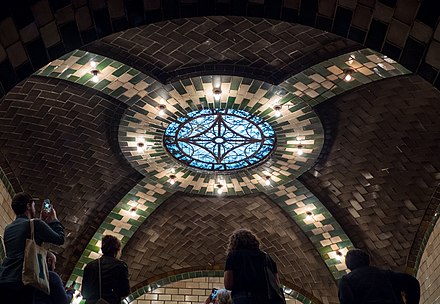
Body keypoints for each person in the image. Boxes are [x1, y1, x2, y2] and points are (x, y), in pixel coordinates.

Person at [0, 192, 65, 304]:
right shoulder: (36, 224)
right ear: (28, 206)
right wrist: (54, 220)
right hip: (23, 280)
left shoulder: (8, 228)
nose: (35, 208)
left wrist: (42, 223)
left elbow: (25, 245)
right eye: (34, 205)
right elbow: (60, 239)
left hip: (5, 278)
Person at [338, 248, 421, 304]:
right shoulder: (385, 274)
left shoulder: (346, 281)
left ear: (348, 265)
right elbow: (412, 283)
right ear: (368, 260)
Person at [224, 229, 282, 304]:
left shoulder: (233, 256)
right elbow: (276, 283)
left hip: (242, 297)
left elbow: (228, 284)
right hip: (265, 299)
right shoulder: (266, 257)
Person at [81, 235, 130, 304]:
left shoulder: (90, 266)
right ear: (117, 250)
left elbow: (84, 293)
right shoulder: (120, 266)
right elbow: (125, 291)